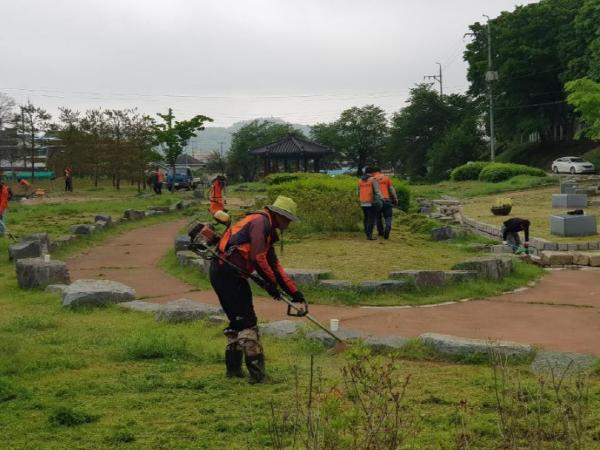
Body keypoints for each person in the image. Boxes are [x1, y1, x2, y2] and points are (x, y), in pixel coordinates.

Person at [209, 195, 306, 384]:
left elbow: (274, 266)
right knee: (248, 322)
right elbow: (258, 258)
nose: (288, 224)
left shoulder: (267, 230)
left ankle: (234, 371)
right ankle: (257, 376)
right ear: (279, 215)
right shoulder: (260, 223)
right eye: (288, 219)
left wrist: (294, 293)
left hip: (224, 272)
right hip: (228, 273)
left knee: (237, 322)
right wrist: (271, 285)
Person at [372, 167, 398, 239]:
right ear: (380, 171)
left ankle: (381, 232)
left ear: (374, 172)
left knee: (378, 217)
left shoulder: (372, 179)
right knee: (388, 216)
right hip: (386, 199)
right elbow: (391, 189)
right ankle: (388, 226)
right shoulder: (386, 178)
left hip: (377, 201)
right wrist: (395, 198)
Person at [357, 167, 382, 240]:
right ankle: (369, 235)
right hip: (371, 202)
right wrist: (382, 199)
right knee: (371, 219)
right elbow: (377, 192)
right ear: (372, 172)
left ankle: (366, 233)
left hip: (362, 201)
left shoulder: (360, 180)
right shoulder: (373, 179)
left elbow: (358, 192)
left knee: (366, 218)